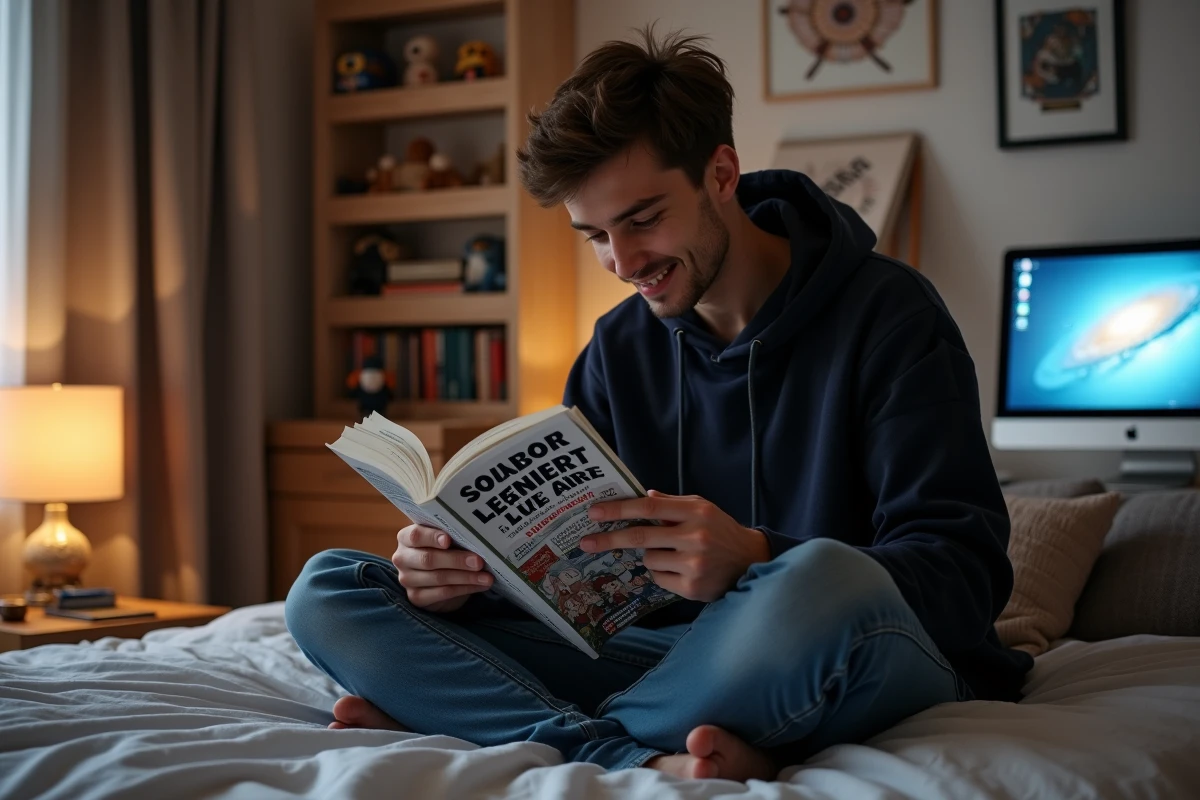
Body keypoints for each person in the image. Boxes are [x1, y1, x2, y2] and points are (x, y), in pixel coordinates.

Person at [285, 27, 1033, 783]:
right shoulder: (617, 348)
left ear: (721, 173)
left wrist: (758, 558)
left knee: (821, 582)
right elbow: (586, 601)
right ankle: (633, 752)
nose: (622, 262)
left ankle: (489, 720)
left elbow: (964, 579)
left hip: (856, 643)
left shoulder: (891, 314)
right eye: (594, 236)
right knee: (330, 587)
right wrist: (456, 581)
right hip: (674, 661)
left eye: (642, 219)